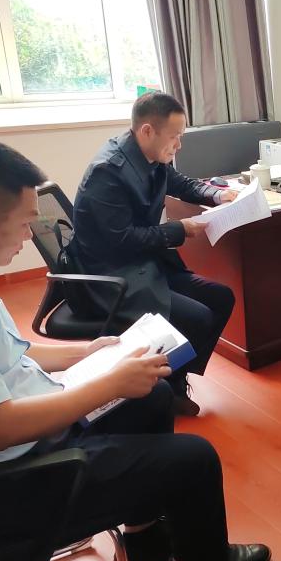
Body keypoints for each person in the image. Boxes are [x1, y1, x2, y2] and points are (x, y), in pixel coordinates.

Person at [0, 140, 270, 561]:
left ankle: (143, 540)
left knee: (152, 395)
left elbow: (8, 351)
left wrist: (89, 352)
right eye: (24, 224)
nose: (28, 239)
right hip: (6, 484)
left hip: (24, 437)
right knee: (195, 458)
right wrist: (108, 384)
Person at [69, 92, 240, 416]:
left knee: (221, 297)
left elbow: (180, 183)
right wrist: (179, 229)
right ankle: (164, 387)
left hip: (144, 262)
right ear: (147, 131)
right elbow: (121, 241)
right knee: (198, 317)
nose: (179, 145)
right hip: (113, 275)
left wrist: (219, 194)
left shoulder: (150, 156)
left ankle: (173, 378)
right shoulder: (108, 172)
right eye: (175, 136)